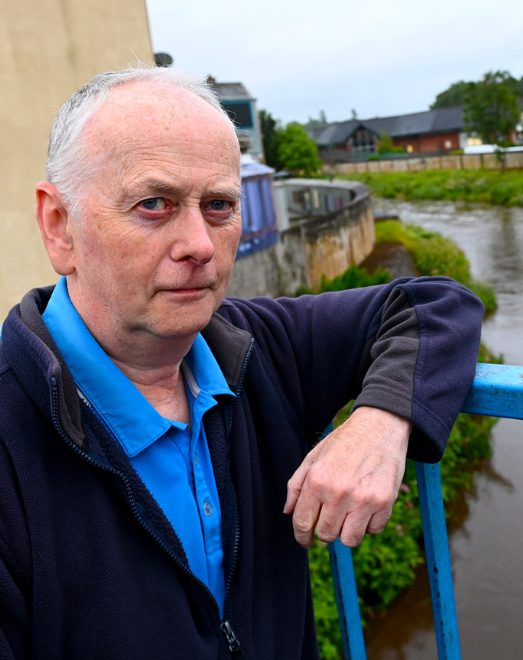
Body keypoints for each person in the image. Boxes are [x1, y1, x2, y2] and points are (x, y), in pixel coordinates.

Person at [0, 67, 484, 657]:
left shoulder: (257, 346)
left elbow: (436, 304)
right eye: (154, 204)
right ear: (59, 226)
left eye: (219, 205)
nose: (200, 244)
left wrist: (383, 418)